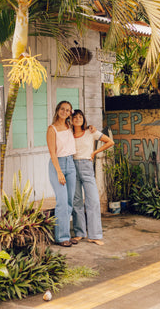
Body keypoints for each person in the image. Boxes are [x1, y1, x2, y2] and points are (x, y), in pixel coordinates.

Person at [71, 109, 114, 245]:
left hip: (86, 165)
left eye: (80, 117)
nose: (78, 119)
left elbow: (110, 142)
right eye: (75, 117)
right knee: (76, 201)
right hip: (72, 166)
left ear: (84, 119)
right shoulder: (69, 134)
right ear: (71, 120)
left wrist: (95, 152)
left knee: (93, 201)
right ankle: (79, 233)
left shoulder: (91, 132)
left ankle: (95, 235)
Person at [46, 101, 79, 247]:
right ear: (58, 110)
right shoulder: (52, 129)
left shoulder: (70, 127)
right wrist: (59, 172)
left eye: (68, 110)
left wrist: (92, 128)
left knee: (70, 201)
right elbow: (52, 153)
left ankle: (65, 233)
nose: (64, 112)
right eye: (62, 109)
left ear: (70, 112)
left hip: (70, 163)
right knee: (62, 201)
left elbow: (83, 128)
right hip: (57, 165)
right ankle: (61, 237)